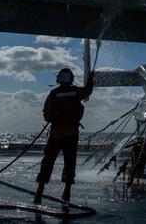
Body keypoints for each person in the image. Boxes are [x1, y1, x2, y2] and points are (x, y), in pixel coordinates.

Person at [34, 67, 95, 205]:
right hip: (71, 134)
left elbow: (46, 114)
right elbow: (88, 90)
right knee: (70, 163)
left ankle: (39, 191)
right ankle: (66, 192)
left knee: (48, 161)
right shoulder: (77, 92)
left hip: (56, 133)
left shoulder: (53, 93)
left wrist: (54, 119)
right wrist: (91, 79)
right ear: (71, 78)